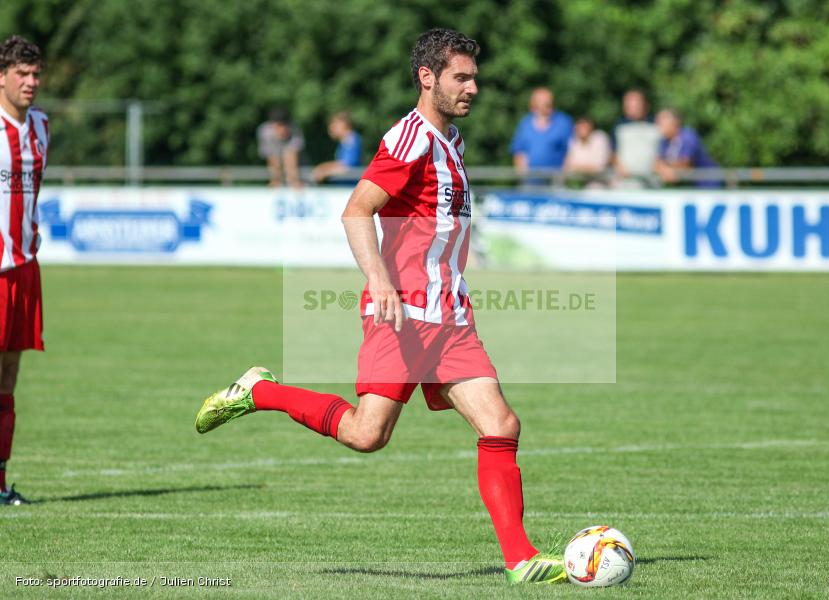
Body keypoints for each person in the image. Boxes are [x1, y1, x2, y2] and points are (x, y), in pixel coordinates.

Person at [195, 28, 565, 584]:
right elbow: (356, 209)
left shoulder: (454, 142)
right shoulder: (410, 137)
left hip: (451, 317)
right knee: (368, 435)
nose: (473, 88)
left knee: (501, 423)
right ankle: (259, 391)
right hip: (403, 315)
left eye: (474, 78)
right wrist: (381, 281)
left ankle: (521, 561)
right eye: (461, 78)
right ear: (427, 78)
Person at [0, 35, 49, 506]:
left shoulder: (41, 127)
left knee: (8, 377)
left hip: (24, 269)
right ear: (1, 77)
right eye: (21, 74)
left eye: (36, 74)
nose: (31, 82)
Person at [510, 87, 573, 178]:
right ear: (533, 103)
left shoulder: (563, 122)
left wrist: (564, 175)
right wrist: (522, 175)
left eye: (549, 100)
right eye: (542, 100)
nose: (547, 103)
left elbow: (571, 151)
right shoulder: (525, 123)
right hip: (530, 181)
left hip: (556, 180)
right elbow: (518, 152)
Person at [654, 108, 721, 188]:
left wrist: (669, 169)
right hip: (690, 187)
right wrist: (666, 170)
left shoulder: (688, 137)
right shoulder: (664, 141)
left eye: (662, 122)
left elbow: (686, 163)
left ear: (675, 122)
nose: (659, 126)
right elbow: (657, 163)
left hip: (708, 183)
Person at [611, 89, 659, 186]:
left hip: (651, 182)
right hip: (625, 183)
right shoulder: (619, 127)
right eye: (629, 103)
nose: (633, 107)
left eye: (636, 103)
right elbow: (613, 152)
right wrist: (619, 167)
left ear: (645, 105)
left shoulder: (656, 125)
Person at [257, 107, 304, 188]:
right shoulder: (265, 131)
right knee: (275, 182)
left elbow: (291, 156)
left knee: (295, 182)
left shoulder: (295, 129)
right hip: (276, 159)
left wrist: (294, 181)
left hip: (298, 164)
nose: (282, 130)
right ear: (272, 125)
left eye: (284, 126)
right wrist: (275, 180)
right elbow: (271, 157)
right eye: (278, 126)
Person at [311, 111, 363, 183]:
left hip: (349, 188)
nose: (331, 127)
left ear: (344, 124)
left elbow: (346, 167)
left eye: (335, 124)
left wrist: (324, 171)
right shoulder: (345, 141)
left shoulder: (351, 140)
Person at [563, 116, 611, 183]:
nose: (582, 130)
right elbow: (567, 166)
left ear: (591, 127)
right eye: (579, 127)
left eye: (584, 127)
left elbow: (599, 167)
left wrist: (576, 168)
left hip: (599, 183)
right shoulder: (573, 142)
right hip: (577, 183)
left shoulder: (600, 138)